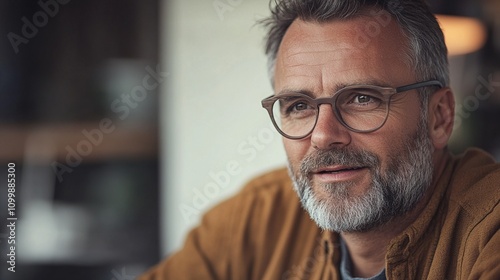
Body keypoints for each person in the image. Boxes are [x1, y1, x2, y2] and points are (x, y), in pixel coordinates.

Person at [140, 0, 500, 279]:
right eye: (298, 105)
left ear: (439, 117)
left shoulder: (489, 232)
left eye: (363, 98)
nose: (324, 135)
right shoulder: (255, 221)